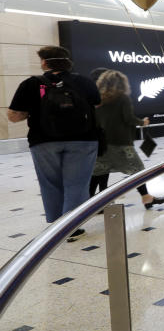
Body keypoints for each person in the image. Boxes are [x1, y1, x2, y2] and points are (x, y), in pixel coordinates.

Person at [8, 46, 100, 238]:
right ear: (67, 62)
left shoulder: (31, 84)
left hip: (44, 141)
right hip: (83, 140)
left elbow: (14, 116)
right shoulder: (83, 81)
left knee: (50, 183)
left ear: (44, 62)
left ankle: (57, 225)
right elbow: (97, 104)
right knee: (77, 183)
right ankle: (73, 227)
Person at [89, 70, 164, 209]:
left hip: (102, 143)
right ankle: (146, 198)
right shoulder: (122, 98)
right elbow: (129, 118)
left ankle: (88, 206)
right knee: (138, 170)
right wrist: (142, 122)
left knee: (98, 173)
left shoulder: (97, 99)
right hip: (121, 142)